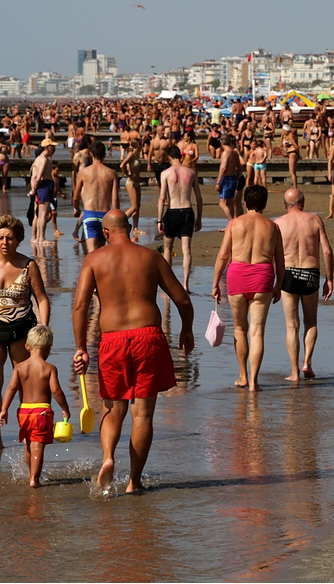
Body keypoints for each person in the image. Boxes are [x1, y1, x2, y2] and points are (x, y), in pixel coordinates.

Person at [72, 210, 194, 494]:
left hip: (113, 340)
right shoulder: (151, 257)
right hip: (148, 337)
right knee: (143, 415)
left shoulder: (94, 259)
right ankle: (133, 483)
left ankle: (108, 458)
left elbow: (80, 307)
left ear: (105, 233)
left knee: (113, 409)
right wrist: (186, 330)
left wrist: (80, 347)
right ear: (131, 228)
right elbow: (182, 300)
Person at [0, 215, 51, 452]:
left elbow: (42, 299)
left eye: (10, 238)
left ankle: (28, 431)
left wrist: (43, 330)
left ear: (18, 240)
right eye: (1, 237)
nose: (5, 242)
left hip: (22, 328)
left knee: (25, 384)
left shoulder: (29, 266)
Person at [212, 185, 284, 393]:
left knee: (240, 328)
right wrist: (279, 284)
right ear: (265, 203)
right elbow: (280, 261)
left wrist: (216, 283)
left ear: (244, 202)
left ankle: (242, 375)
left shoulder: (235, 223)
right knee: (257, 331)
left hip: (238, 275)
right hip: (263, 276)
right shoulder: (273, 226)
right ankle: (254, 381)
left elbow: (223, 256)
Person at [0, 324, 72, 488]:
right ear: (49, 348)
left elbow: (11, 388)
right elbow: (56, 390)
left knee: (28, 443)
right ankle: (34, 479)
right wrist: (65, 408)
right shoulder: (49, 368)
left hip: (24, 411)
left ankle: (30, 473)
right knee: (38, 445)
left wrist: (4, 409)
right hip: (42, 412)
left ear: (27, 346)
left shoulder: (19, 367)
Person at [275, 188, 334, 381]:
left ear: (285, 204)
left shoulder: (279, 223)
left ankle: (294, 371)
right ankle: (307, 362)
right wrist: (330, 279)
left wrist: (274, 281)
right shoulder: (315, 220)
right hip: (310, 273)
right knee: (311, 322)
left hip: (289, 273)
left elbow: (272, 255)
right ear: (303, 202)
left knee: (292, 325)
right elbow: (327, 251)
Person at [157, 145, 204, 289]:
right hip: (187, 211)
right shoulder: (191, 173)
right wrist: (199, 218)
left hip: (173, 211)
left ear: (169, 158)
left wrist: (159, 220)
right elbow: (199, 198)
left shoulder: (165, 173)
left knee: (167, 248)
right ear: (181, 157)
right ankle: (185, 284)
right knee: (186, 250)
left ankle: (168, 284)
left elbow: (162, 198)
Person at [73, 141, 120, 253]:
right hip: (105, 217)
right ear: (104, 155)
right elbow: (115, 199)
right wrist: (116, 215)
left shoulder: (83, 172)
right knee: (102, 252)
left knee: (92, 253)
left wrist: (77, 208)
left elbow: (76, 197)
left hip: (90, 215)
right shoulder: (112, 173)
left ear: (91, 154)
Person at [29, 141, 57, 246]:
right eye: (53, 147)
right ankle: (41, 238)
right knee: (43, 214)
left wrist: (33, 189)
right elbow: (38, 176)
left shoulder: (37, 159)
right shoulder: (43, 160)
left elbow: (33, 176)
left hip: (39, 187)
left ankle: (34, 237)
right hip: (44, 186)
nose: (54, 150)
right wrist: (34, 189)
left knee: (37, 214)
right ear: (48, 148)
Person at [216, 133, 242, 222]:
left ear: (221, 143)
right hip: (233, 178)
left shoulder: (226, 153)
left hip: (227, 179)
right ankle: (232, 221)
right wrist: (238, 176)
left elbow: (223, 168)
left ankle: (231, 222)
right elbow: (239, 166)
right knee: (230, 202)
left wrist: (218, 182)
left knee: (222, 203)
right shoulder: (234, 152)